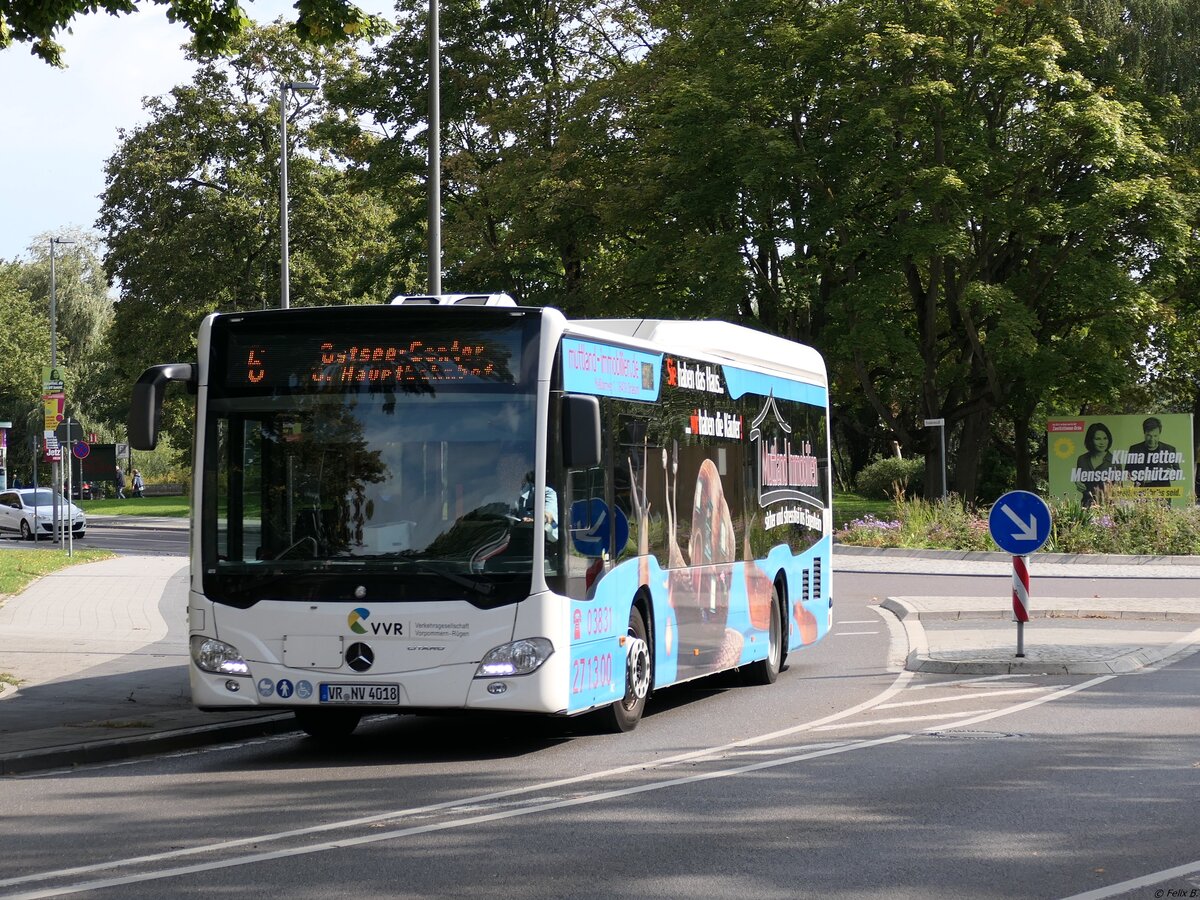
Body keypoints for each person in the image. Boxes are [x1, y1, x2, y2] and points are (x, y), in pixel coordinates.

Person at [1123, 416, 1178, 490]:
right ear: (1144, 433)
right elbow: (1127, 472)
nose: (1152, 439)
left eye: (1155, 436)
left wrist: (1172, 474)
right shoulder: (1134, 449)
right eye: (1149, 435)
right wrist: (1140, 477)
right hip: (1140, 492)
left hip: (1163, 493)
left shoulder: (1169, 449)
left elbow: (1177, 473)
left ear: (1159, 434)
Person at [1074, 422, 1117, 507]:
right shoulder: (1082, 459)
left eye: (1105, 438)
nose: (1102, 442)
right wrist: (1077, 483)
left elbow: (1118, 486)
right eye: (1098, 439)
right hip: (1086, 505)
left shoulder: (1114, 461)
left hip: (1107, 506)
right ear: (1091, 440)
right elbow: (1078, 479)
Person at [517, 470, 559, 542]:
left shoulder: (546, 492)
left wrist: (535, 521)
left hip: (544, 543)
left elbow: (548, 516)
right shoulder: (498, 496)